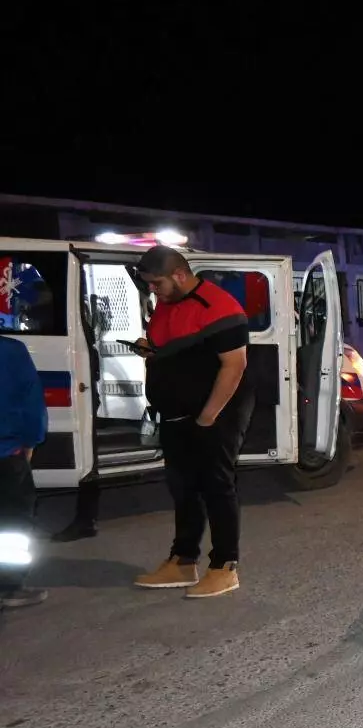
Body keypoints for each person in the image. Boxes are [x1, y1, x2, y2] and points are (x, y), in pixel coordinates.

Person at [131, 246, 254, 598]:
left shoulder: (219, 306)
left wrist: (208, 417)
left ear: (179, 275)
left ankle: (225, 566)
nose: (152, 290)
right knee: (182, 487)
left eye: (156, 283)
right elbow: (174, 348)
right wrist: (150, 349)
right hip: (176, 414)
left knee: (216, 486)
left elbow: (234, 366)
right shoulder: (167, 305)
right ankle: (183, 561)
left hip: (216, 411)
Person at [1, 335, 48, 610]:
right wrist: (31, 441)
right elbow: (32, 404)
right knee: (12, 527)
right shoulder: (11, 351)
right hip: (6, 455)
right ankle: (9, 587)